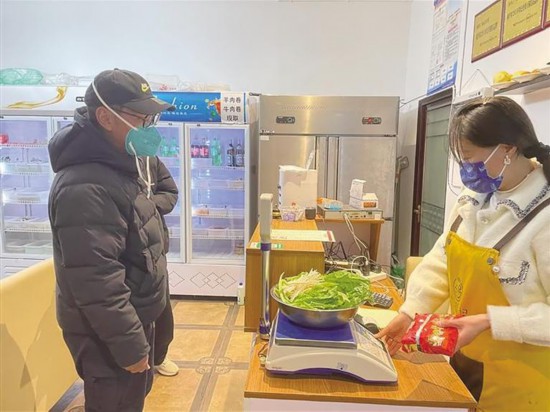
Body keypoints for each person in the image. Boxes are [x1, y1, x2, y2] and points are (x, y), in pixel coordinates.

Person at [377, 96, 550, 412]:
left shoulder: (544, 216)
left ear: (508, 150)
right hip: (467, 362)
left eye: (470, 159)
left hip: (523, 384)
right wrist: (409, 312)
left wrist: (490, 321)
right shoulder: (474, 199)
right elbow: (442, 259)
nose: (466, 171)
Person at [48, 68, 175, 411]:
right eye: (141, 118)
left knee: (132, 399)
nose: (148, 128)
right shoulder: (85, 186)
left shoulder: (123, 163)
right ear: (105, 117)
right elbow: (97, 281)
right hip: (107, 333)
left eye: (151, 119)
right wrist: (130, 346)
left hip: (133, 315)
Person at [150, 158, 179, 377]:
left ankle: (159, 356)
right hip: (121, 252)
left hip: (154, 248)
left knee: (162, 309)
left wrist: (146, 204)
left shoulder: (149, 158)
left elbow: (170, 193)